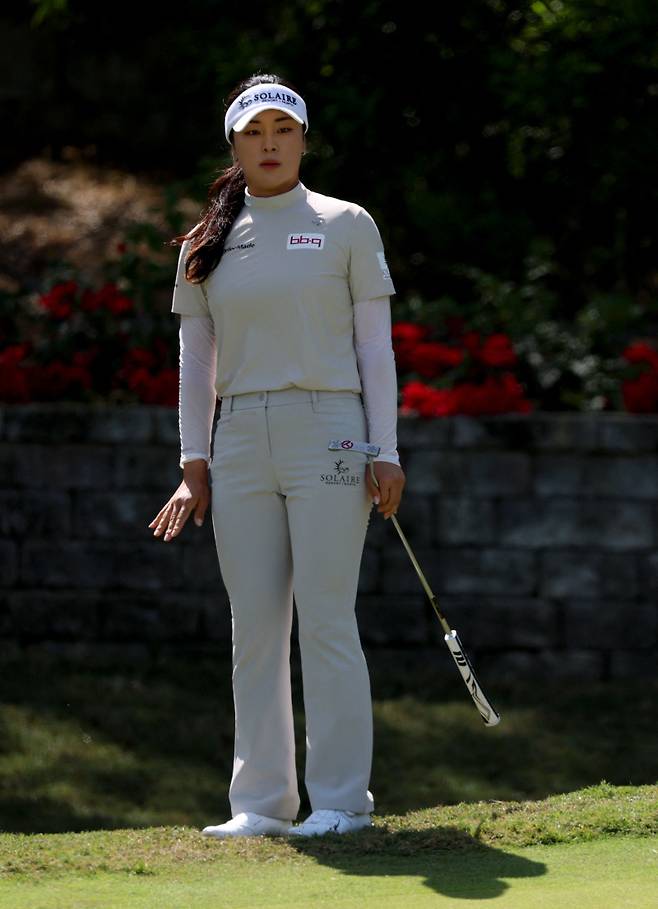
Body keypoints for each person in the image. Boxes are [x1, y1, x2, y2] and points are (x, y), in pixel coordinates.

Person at [148, 73, 406, 838]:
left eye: (282, 131)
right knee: (253, 624)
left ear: (302, 139)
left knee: (326, 616)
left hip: (330, 425)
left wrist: (383, 450)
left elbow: (374, 349)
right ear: (234, 143)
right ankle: (260, 804)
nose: (269, 144)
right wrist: (194, 459)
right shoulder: (206, 242)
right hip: (239, 439)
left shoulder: (345, 222)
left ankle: (340, 803)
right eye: (254, 133)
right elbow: (197, 360)